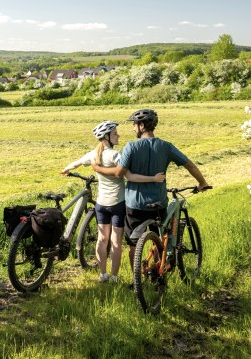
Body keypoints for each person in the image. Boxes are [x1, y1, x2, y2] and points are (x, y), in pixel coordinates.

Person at [92, 109, 210, 268]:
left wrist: (98, 169)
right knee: (159, 240)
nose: (133, 128)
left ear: (141, 126)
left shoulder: (131, 147)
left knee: (134, 244)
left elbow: (119, 172)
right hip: (158, 202)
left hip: (135, 205)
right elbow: (188, 164)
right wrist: (202, 182)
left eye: (134, 125)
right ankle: (157, 271)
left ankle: (136, 279)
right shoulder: (166, 146)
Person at [61, 120, 165, 283]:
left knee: (102, 240)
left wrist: (66, 170)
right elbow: (129, 176)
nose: (118, 135)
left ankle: (103, 275)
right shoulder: (116, 155)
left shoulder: (94, 154)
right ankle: (114, 277)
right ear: (107, 137)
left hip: (101, 204)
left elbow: (77, 163)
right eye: (115, 133)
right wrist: (154, 178)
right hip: (117, 204)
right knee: (115, 242)